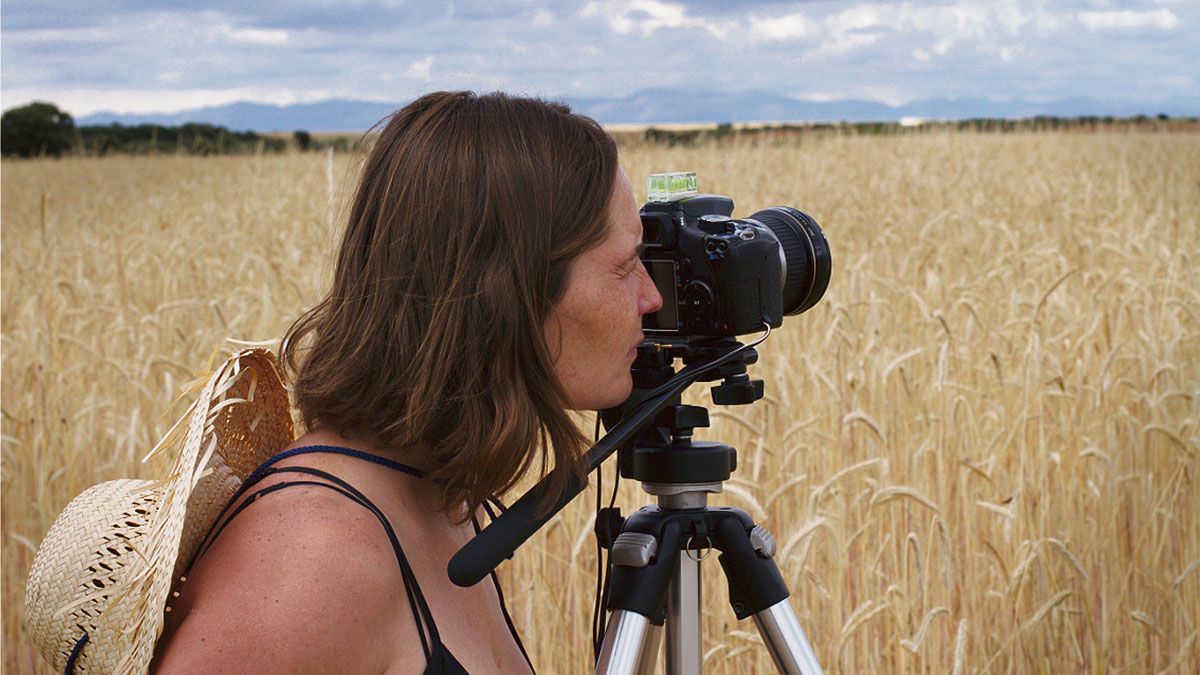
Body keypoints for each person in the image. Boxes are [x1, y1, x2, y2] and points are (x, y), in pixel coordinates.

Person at [153, 91, 663, 673]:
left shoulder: (437, 499)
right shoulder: (313, 556)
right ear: (511, 294)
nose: (652, 297)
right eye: (625, 266)